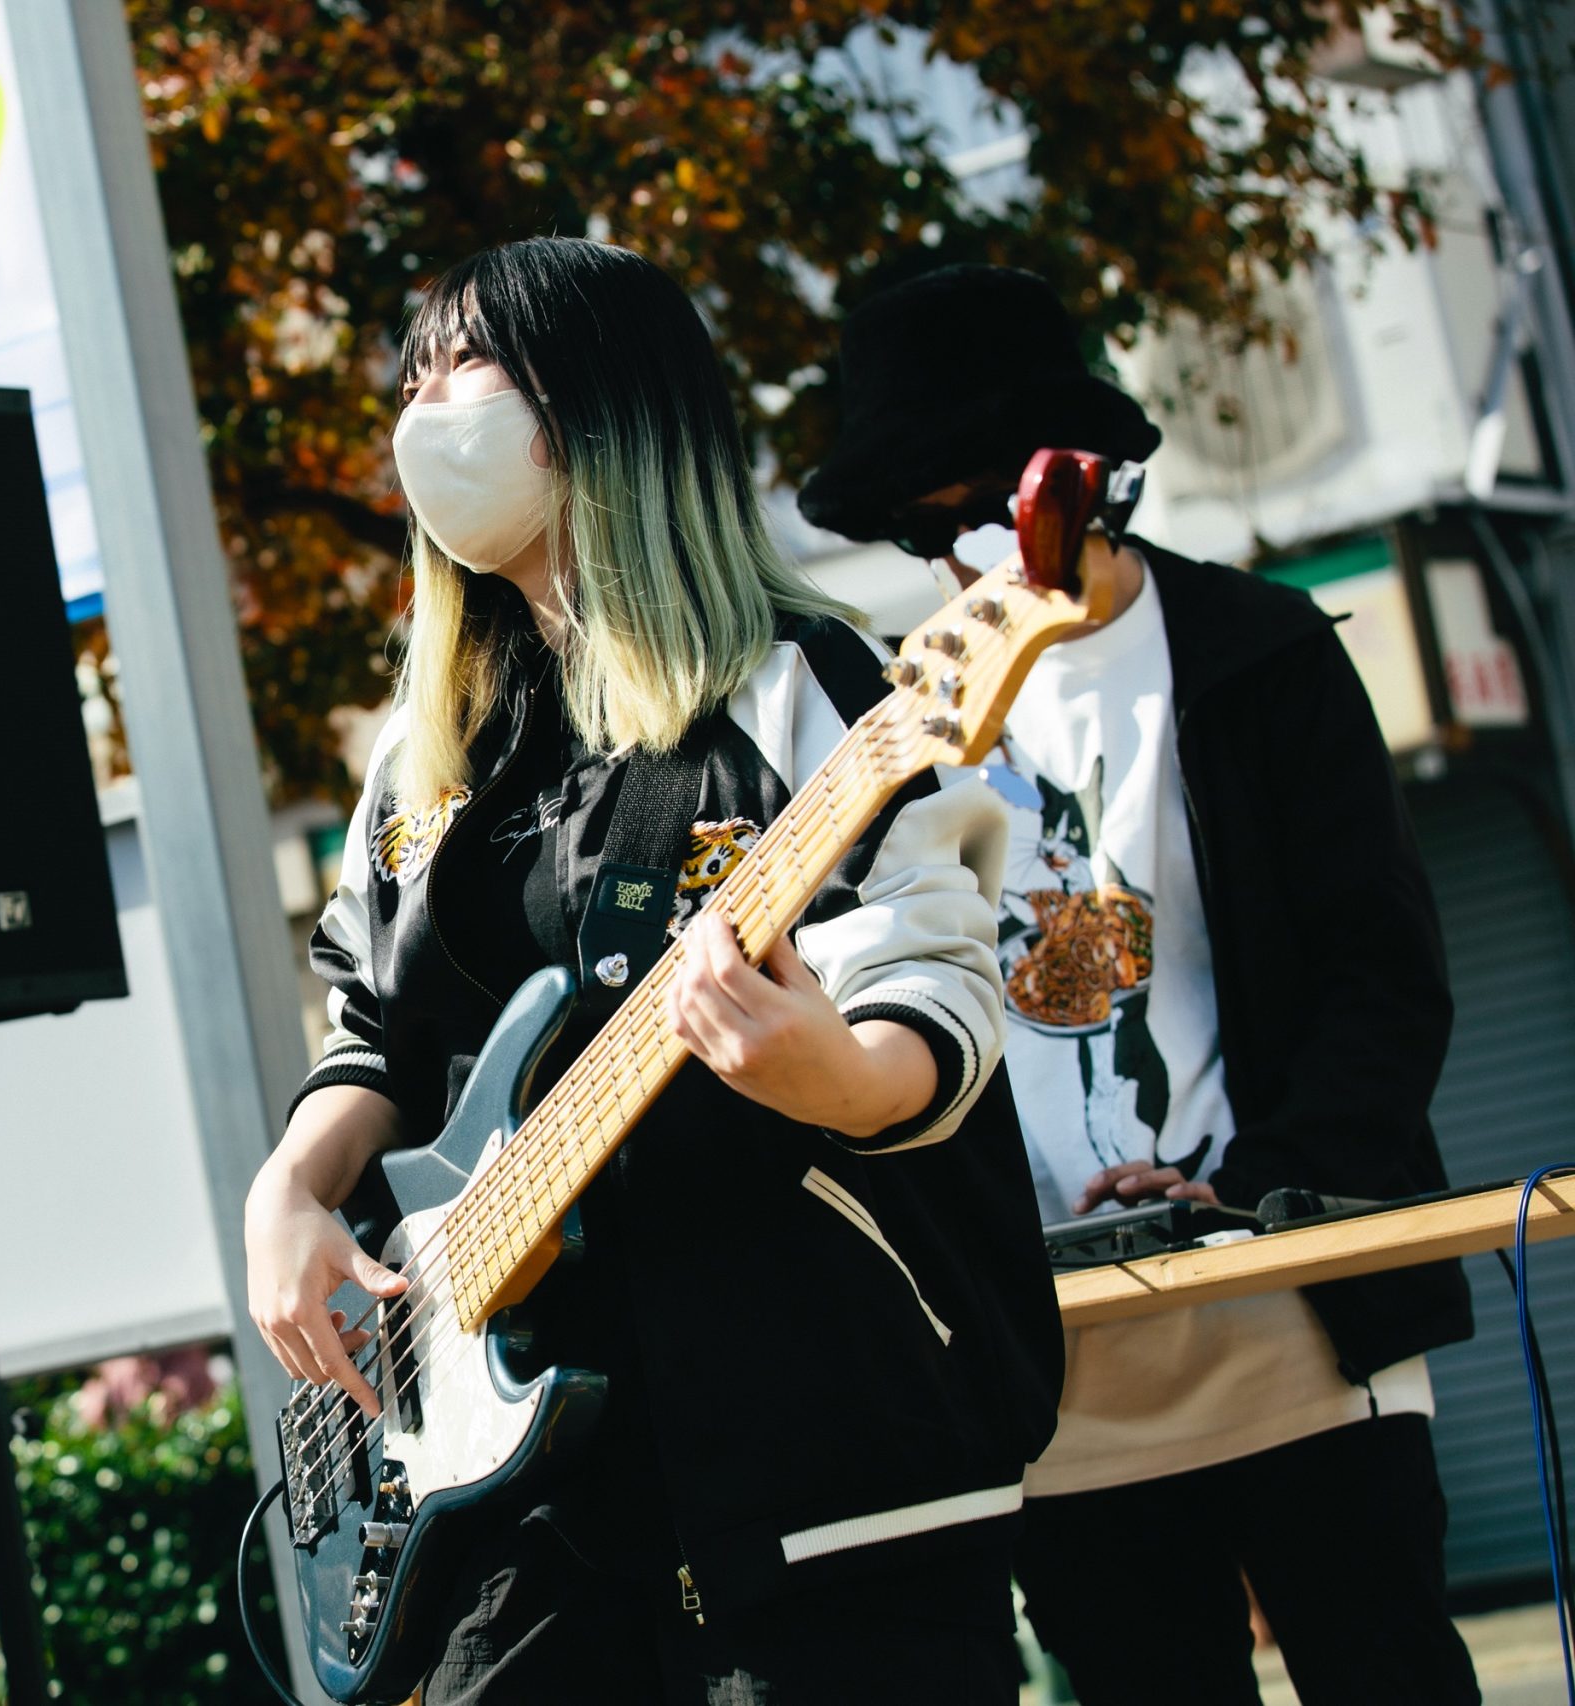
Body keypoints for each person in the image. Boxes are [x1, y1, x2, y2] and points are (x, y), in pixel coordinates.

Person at [245, 237, 1064, 1704]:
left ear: (601, 404)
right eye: (410, 376)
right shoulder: (423, 756)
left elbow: (933, 977)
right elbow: (375, 1025)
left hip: (818, 1470)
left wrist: (837, 1074)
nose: (423, 407)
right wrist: (289, 1191)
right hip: (522, 1516)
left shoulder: (802, 679)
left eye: (466, 363)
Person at [798, 262, 1479, 1706]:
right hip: (1060, 1362)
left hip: (1296, 1309)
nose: (963, 557)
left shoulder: (1262, 652)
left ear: (1080, 477)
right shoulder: (892, 728)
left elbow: (1383, 978)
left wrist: (1260, 1188)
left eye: (985, 506)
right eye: (922, 528)